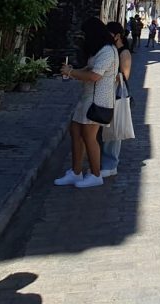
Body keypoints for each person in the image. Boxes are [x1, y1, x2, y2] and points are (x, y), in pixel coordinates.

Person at [55, 17, 118, 189]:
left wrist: (72, 73)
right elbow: (89, 70)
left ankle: (96, 174)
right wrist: (72, 71)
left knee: (89, 137)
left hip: (98, 100)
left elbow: (94, 76)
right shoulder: (99, 51)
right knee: (75, 131)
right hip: (87, 98)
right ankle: (76, 172)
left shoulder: (107, 51)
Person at [100, 21, 132, 178]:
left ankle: (111, 164)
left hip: (117, 94)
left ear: (117, 36)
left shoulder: (124, 53)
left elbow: (124, 76)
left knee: (114, 131)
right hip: (106, 92)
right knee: (105, 129)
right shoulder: (110, 50)